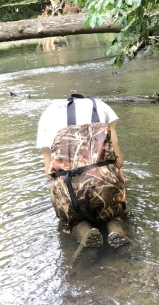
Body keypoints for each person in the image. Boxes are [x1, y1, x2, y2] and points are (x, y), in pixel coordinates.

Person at [37, 94, 128, 249]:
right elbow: (119, 161)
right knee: (114, 211)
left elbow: (49, 172)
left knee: (72, 218)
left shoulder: (47, 115)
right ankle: (115, 226)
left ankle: (81, 229)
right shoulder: (101, 106)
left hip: (70, 191)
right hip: (104, 185)